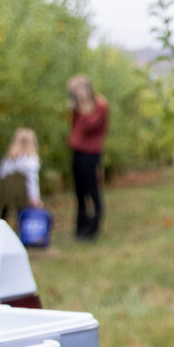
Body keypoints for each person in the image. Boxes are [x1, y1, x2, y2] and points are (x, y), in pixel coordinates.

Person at [66, 75, 109, 241]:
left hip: (91, 153)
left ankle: (93, 228)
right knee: (79, 192)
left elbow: (90, 126)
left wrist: (83, 107)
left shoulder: (100, 106)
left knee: (93, 191)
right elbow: (75, 130)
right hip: (77, 151)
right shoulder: (77, 108)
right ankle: (81, 227)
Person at [0, 127, 43, 223]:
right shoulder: (31, 160)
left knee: (4, 213)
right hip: (23, 194)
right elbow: (32, 180)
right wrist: (35, 198)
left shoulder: (8, 158)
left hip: (7, 193)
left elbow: (0, 174)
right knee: (22, 214)